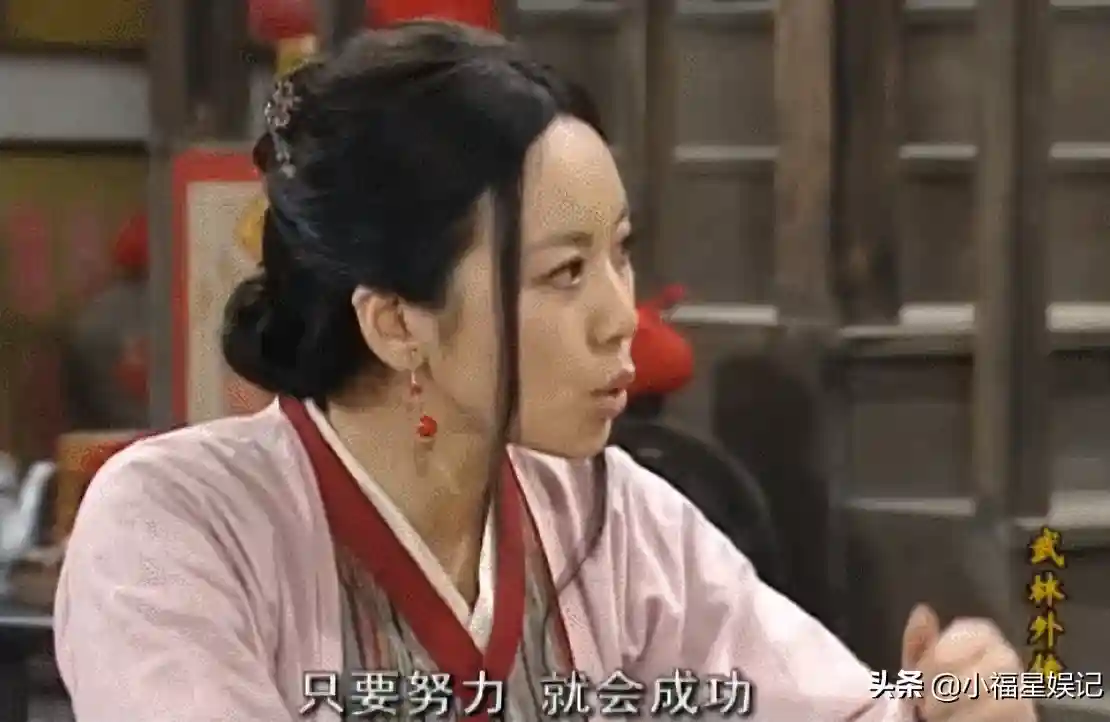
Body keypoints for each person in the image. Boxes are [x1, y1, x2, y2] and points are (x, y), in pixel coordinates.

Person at [53, 21, 1034, 722]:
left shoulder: (615, 519)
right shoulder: (175, 524)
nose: (619, 317)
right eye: (565, 273)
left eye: (621, 253)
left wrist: (938, 704)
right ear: (396, 321)